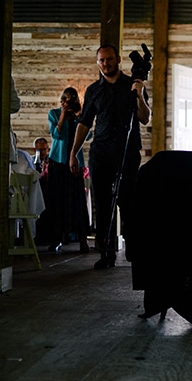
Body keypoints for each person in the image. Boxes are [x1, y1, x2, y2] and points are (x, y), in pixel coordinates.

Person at [70, 44, 151, 269]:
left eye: (109, 59)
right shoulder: (94, 90)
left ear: (117, 59)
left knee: (129, 203)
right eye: (101, 61)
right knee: (103, 204)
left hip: (127, 152)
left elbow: (145, 118)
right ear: (98, 63)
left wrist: (140, 94)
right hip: (101, 153)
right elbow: (84, 124)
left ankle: (135, 254)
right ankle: (106, 254)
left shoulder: (133, 84)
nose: (105, 63)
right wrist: (73, 153)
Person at [45, 87, 91, 253]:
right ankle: (57, 238)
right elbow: (56, 135)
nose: (67, 102)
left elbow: (89, 136)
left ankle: (83, 239)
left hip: (75, 163)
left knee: (77, 200)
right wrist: (64, 115)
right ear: (61, 100)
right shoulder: (54, 113)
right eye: (65, 99)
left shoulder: (79, 116)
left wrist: (79, 117)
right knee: (58, 200)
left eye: (71, 99)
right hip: (58, 161)